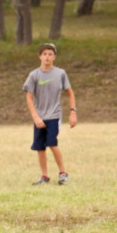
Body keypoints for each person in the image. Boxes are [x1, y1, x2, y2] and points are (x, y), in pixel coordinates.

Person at [23, 43, 77, 186]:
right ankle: (44, 176)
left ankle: (63, 173)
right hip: (39, 117)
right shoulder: (34, 75)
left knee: (52, 143)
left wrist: (73, 112)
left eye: (50, 54)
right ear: (40, 56)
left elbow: (70, 93)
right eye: (44, 54)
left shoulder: (60, 73)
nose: (47, 57)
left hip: (54, 116)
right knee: (40, 147)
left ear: (54, 57)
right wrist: (35, 116)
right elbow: (29, 97)